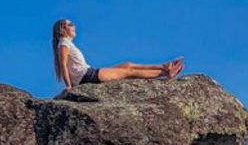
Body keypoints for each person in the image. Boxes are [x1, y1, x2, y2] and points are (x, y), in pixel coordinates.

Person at [52, 19, 184, 91]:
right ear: (63, 29)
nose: (74, 26)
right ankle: (166, 74)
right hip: (87, 76)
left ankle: (164, 66)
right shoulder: (64, 43)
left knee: (128, 64)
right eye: (70, 24)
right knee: (128, 72)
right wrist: (69, 86)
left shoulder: (66, 43)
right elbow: (63, 65)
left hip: (89, 74)